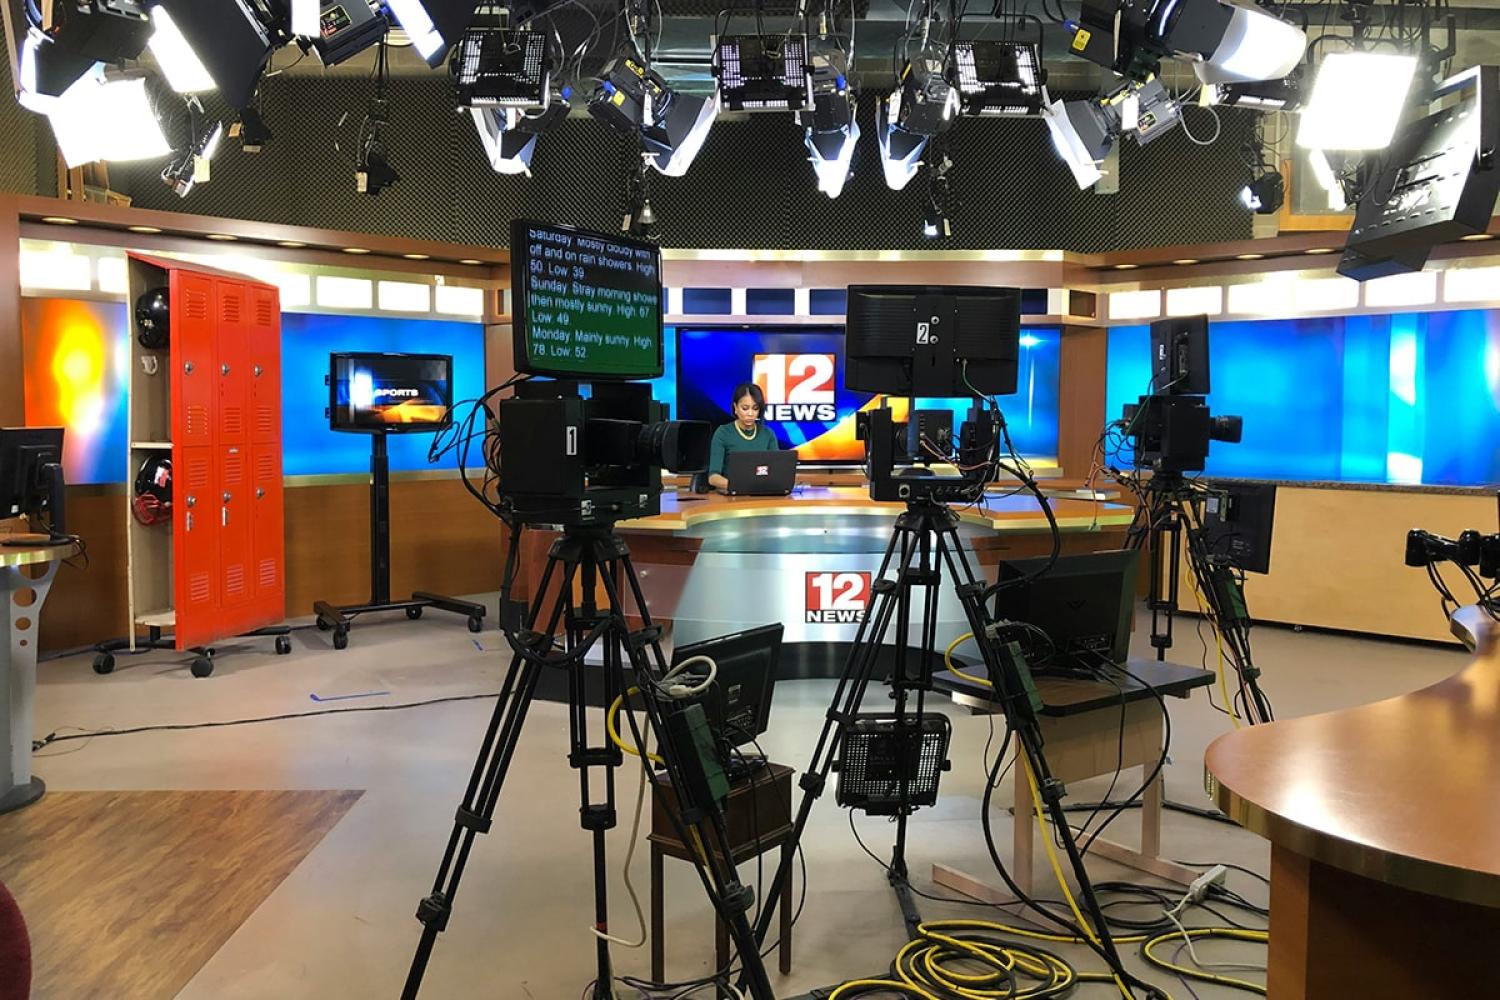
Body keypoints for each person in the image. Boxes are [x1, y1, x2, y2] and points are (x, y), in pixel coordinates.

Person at [707, 383, 779, 491]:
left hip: (762, 495)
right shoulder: (723, 433)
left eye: (755, 409)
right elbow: (713, 478)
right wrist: (740, 486)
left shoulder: (768, 434)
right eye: (745, 408)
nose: (750, 413)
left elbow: (777, 472)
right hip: (732, 497)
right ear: (735, 407)